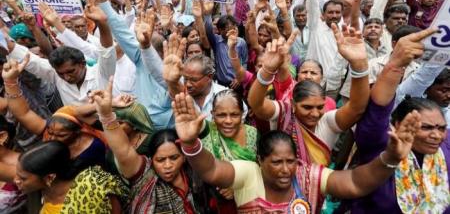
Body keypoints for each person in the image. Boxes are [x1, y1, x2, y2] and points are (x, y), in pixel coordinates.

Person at [171, 91, 421, 214]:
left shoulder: (308, 175)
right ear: (260, 160)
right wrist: (191, 143)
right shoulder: (248, 174)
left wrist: (390, 158)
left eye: (290, 161)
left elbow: (355, 182)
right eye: (276, 162)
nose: (285, 169)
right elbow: (212, 170)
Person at [343, 27, 450, 213]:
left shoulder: (445, 148)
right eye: (425, 127)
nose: (436, 134)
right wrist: (396, 63)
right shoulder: (381, 145)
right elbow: (378, 108)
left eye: (441, 128)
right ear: (398, 125)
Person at [249, 24, 369, 167]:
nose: (314, 113)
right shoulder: (283, 112)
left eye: (320, 107)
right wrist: (267, 70)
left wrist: (359, 66)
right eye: (306, 107)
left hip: (316, 186)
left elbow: (357, 108)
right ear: (292, 105)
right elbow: (256, 104)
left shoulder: (327, 122)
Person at [89, 79, 210, 214]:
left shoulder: (198, 173)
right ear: (151, 159)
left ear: (184, 157)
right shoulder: (146, 177)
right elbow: (124, 152)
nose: (168, 165)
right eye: (160, 160)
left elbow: (203, 133)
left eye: (174, 157)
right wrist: (106, 116)